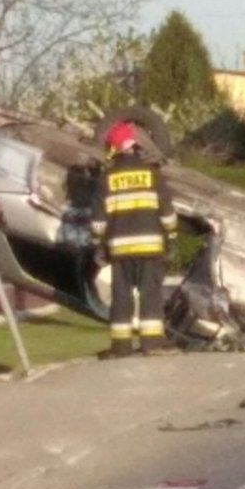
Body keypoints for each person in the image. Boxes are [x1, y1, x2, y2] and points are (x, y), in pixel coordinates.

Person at [90, 122, 177, 358]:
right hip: (150, 247)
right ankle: (152, 345)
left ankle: (121, 347)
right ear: (135, 145)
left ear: (114, 148)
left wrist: (99, 245)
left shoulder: (107, 178)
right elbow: (167, 213)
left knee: (121, 297)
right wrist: (171, 238)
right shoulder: (152, 174)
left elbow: (98, 221)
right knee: (150, 295)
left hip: (120, 251)